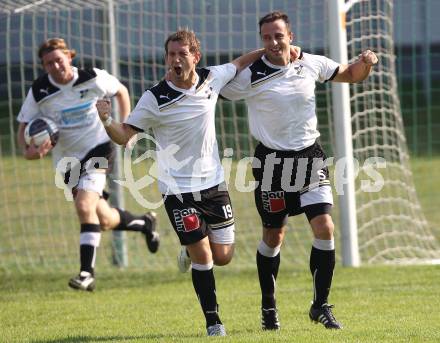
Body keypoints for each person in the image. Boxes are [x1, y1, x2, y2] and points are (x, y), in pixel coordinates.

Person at [95, 28, 281, 336]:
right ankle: (213, 322)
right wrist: (105, 120)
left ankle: (188, 250)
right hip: (177, 189)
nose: (176, 59)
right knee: (204, 254)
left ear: (195, 56)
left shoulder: (211, 78)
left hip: (214, 185)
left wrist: (270, 52)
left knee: (223, 256)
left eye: (182, 53)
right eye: (171, 54)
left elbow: (237, 64)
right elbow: (125, 136)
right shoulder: (155, 97)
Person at [220, 11, 378, 330]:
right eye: (266, 37)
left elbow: (348, 73)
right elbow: (218, 86)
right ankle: (268, 307)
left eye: (278, 35)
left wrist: (367, 63)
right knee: (273, 235)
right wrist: (253, 56)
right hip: (271, 164)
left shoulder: (311, 63)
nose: (273, 42)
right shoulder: (251, 75)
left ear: (290, 35)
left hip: (310, 157)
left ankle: (320, 306)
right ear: (261, 40)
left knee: (325, 227)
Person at [16, 38, 160, 292]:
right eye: (48, 63)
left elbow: (121, 91)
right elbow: (23, 125)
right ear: (43, 66)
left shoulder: (91, 77)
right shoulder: (39, 90)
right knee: (102, 218)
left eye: (59, 60)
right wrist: (29, 151)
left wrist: (126, 127)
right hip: (67, 161)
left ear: (69, 57)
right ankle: (145, 223)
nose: (55, 66)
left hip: (99, 148)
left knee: (84, 206)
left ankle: (86, 274)